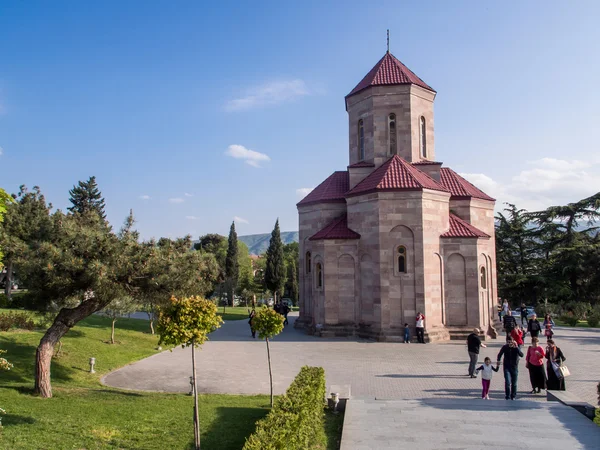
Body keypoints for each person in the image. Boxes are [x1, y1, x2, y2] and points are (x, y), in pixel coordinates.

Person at [497, 336, 524, 400]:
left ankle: (513, 396)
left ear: (513, 341)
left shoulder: (516, 347)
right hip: (507, 367)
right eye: (508, 342)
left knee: (514, 383)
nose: (509, 343)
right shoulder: (505, 347)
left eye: (511, 342)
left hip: (514, 367)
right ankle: (507, 396)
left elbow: (521, 355)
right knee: (508, 382)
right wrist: (498, 360)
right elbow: (499, 354)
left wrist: (516, 347)